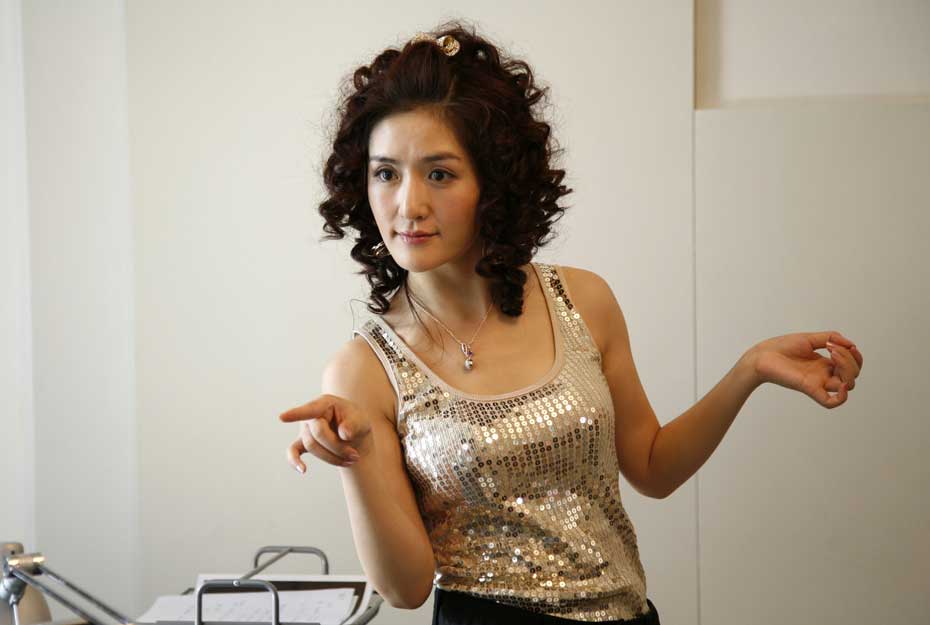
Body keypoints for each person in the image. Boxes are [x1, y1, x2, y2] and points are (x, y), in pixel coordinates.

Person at [278, 21, 863, 625]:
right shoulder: (362, 369)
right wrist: (355, 457)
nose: (408, 205)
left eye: (440, 173)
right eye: (385, 173)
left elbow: (653, 468)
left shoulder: (582, 300)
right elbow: (405, 590)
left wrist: (749, 370)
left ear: (494, 182)